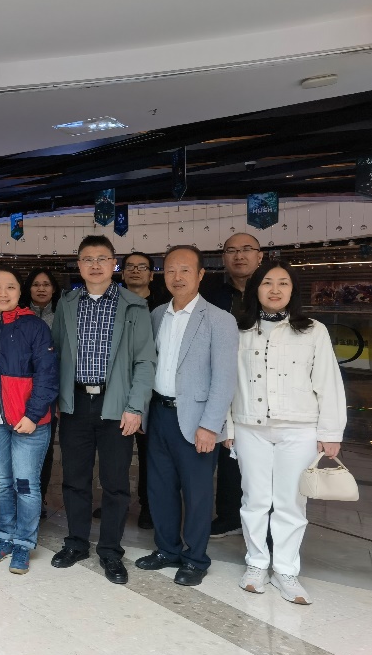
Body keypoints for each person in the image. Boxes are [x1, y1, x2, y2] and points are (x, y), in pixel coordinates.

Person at [226, 261, 346, 605]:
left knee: (291, 502)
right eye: (267, 282)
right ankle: (256, 564)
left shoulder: (313, 331)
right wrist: (227, 426)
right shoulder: (238, 330)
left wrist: (331, 431)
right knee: (254, 499)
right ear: (255, 289)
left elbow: (328, 382)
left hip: (299, 429)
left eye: (283, 283)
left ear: (293, 290)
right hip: (250, 427)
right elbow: (228, 382)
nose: (275, 289)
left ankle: (286, 570)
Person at [50, 235, 156, 585]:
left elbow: (145, 361)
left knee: (115, 483)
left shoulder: (133, 305)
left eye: (102, 258)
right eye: (87, 259)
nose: (94, 265)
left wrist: (135, 406)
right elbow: (57, 354)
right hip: (76, 402)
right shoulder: (67, 303)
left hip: (117, 403)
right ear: (79, 265)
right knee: (74, 479)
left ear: (114, 263)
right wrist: (58, 400)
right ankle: (76, 543)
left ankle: (110, 550)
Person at [133, 245, 238, 587]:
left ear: (200, 274)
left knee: (197, 494)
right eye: (170, 270)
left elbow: (224, 379)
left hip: (196, 421)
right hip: (159, 414)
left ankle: (195, 558)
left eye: (185, 270)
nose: (177, 277)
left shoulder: (220, 320)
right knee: (160, 488)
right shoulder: (156, 315)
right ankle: (167, 549)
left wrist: (210, 425)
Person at [0, 267, 59, 575]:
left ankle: (23, 542)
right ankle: (4, 537)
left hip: (28, 421)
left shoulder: (35, 326)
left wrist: (33, 415)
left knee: (25, 484)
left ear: (20, 291)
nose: (3, 293)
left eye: (10, 287)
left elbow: (47, 374)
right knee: (0, 483)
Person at [202, 233, 265, 540]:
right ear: (224, 258)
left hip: (263, 382)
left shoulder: (270, 290)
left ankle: (265, 517)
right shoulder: (211, 292)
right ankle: (229, 515)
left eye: (246, 250)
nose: (239, 256)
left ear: (260, 256)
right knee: (225, 449)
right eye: (232, 251)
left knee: (262, 455)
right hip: (220, 379)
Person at [109, 251, 170, 531]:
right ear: (122, 274)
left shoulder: (163, 307)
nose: (135, 271)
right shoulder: (112, 303)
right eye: (130, 267)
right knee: (115, 454)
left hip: (153, 391)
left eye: (142, 267)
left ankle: (148, 506)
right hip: (117, 389)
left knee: (150, 455)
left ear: (151, 274)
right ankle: (115, 504)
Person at [23, 268, 62, 516]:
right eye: (36, 284)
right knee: (20, 448)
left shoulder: (61, 317)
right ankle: (21, 498)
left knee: (44, 449)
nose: (41, 289)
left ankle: (40, 497)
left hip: (48, 393)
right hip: (20, 391)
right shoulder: (19, 315)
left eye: (46, 284)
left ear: (54, 289)